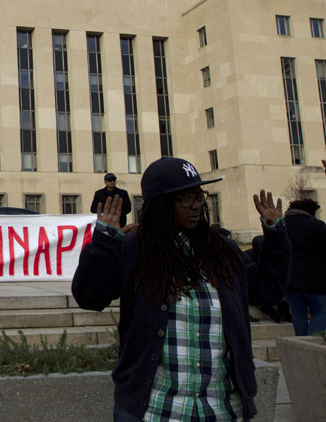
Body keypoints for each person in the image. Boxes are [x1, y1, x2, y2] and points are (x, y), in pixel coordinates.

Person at [72, 157, 290, 421]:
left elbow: (268, 291)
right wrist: (105, 242)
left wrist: (275, 234)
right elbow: (89, 296)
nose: (196, 205)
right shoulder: (134, 250)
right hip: (154, 411)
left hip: (222, 411)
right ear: (161, 206)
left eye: (199, 196)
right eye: (185, 198)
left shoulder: (222, 250)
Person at [283, 198, 326, 335]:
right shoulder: (317, 225)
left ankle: (300, 343)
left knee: (298, 314)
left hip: (290, 279)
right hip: (316, 280)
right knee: (320, 312)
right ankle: (310, 343)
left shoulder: (282, 226)